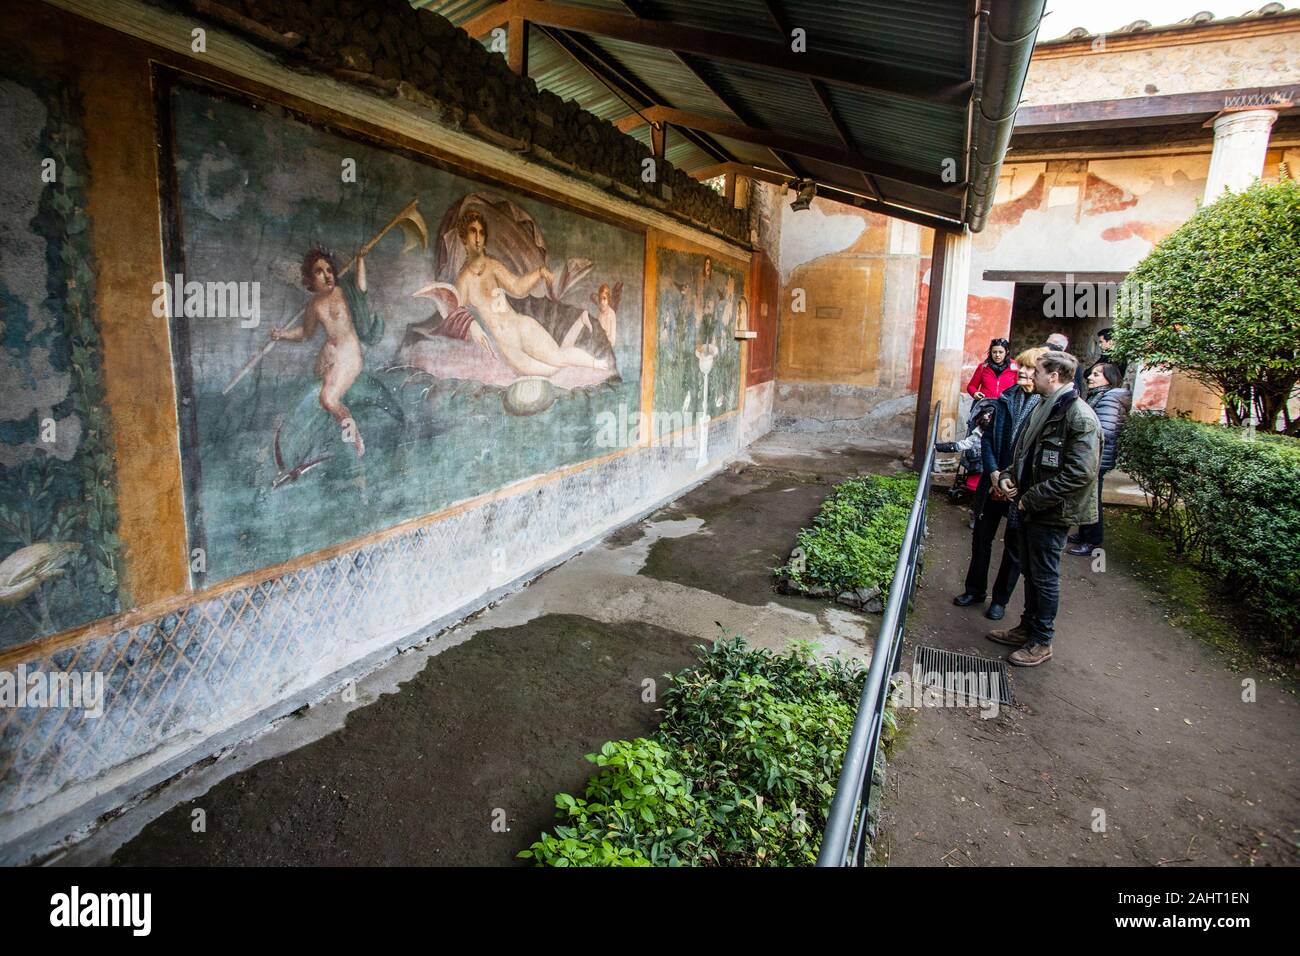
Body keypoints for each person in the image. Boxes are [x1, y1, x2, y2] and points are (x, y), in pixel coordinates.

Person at [987, 350, 1101, 667]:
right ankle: (1027, 628)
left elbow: (1080, 473)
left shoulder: (1078, 417)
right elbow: (1025, 452)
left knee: (1045, 576)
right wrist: (1009, 477)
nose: (1029, 376)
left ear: (1053, 376)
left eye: (1036, 371)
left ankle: (1041, 641)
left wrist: (1031, 498)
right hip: (1031, 506)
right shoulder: (1044, 406)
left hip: (1051, 512)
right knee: (1032, 571)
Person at [949, 347, 1045, 620]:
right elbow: (989, 440)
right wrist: (993, 474)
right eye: (1022, 368)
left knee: (1014, 547)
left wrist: (1013, 482)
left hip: (1019, 488)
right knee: (981, 538)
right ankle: (975, 590)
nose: (1024, 373)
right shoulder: (1005, 399)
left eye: (1030, 369)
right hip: (993, 482)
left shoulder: (1044, 407)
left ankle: (1000, 600)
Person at [272, 248, 377, 457]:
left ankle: (354, 439)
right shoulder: (314, 306)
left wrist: (360, 261)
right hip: (334, 355)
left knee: (328, 399)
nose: (327, 275)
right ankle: (331, 438)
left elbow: (361, 288)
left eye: (329, 269)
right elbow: (305, 334)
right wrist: (282, 334)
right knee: (323, 395)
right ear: (310, 279)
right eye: (319, 271)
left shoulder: (343, 291)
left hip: (350, 354)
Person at [1068, 362, 1130, 555]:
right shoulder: (1100, 395)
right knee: (1087, 496)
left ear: (1108, 379)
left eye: (1096, 374)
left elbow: (1105, 431)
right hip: (1093, 456)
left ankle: (1093, 541)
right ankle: (1085, 533)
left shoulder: (1109, 399)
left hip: (1097, 457)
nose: (1090, 377)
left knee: (1092, 498)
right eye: (1091, 374)